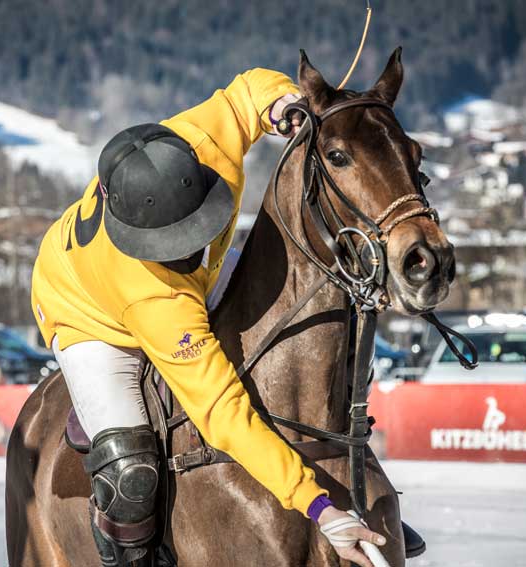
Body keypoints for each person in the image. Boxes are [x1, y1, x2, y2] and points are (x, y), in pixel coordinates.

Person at [31, 68, 399, 567]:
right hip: (85, 310)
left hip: (162, 287)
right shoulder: (153, 295)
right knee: (131, 467)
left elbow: (246, 90)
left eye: (196, 230)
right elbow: (223, 414)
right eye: (174, 247)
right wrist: (319, 507)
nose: (192, 251)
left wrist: (283, 105)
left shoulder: (203, 141)